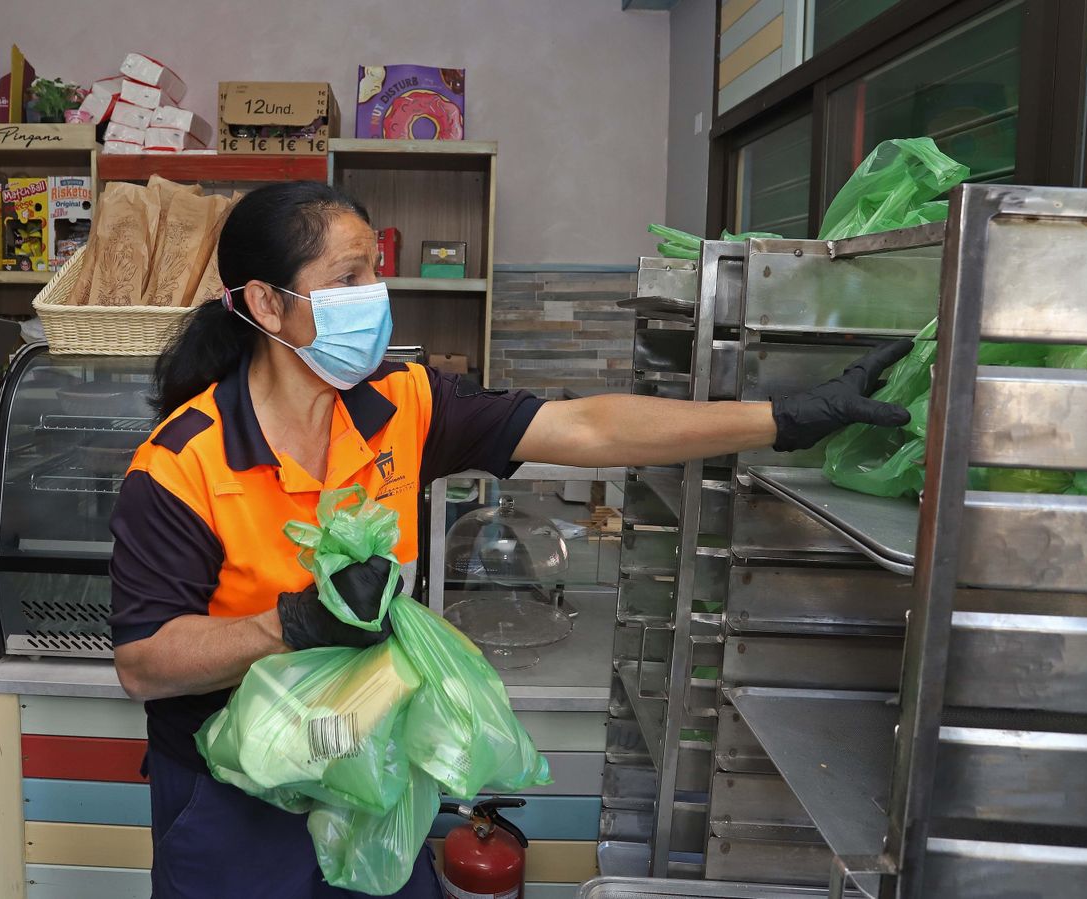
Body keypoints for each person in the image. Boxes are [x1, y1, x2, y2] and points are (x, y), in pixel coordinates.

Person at [109, 182, 911, 898]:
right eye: (347, 278)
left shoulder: (403, 405)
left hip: (368, 772)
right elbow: (143, 663)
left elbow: (588, 425)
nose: (375, 297)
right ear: (265, 304)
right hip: (231, 795)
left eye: (375, 272)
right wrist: (288, 625)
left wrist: (781, 419)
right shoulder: (184, 463)